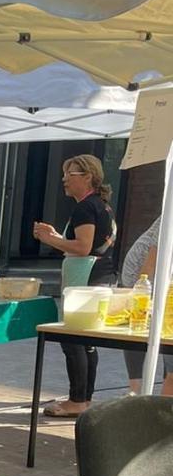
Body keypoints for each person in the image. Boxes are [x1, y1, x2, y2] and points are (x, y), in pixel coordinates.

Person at [34, 154, 116, 418]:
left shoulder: (85, 208)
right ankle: (84, 398)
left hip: (87, 278)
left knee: (73, 339)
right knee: (86, 341)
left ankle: (77, 400)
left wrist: (50, 240)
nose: (64, 180)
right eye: (64, 174)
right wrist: (57, 236)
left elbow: (82, 247)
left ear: (88, 177)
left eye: (70, 174)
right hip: (100, 276)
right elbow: (88, 245)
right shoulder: (101, 205)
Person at [118, 216, 173, 395]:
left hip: (164, 280)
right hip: (143, 277)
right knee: (138, 328)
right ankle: (136, 391)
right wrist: (142, 291)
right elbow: (154, 253)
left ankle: (163, 390)